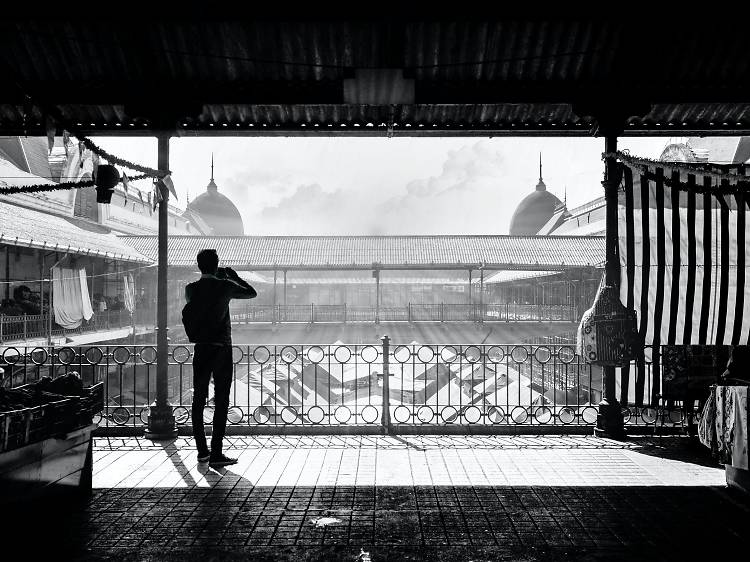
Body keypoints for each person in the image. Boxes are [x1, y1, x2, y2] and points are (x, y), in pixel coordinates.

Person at [184, 249, 257, 467]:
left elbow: (198, 306)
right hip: (222, 349)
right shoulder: (225, 286)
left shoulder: (191, 289)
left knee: (198, 400)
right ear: (217, 265)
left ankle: (201, 451)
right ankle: (216, 452)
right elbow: (251, 293)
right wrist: (232, 276)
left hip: (201, 349)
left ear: (199, 266)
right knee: (222, 400)